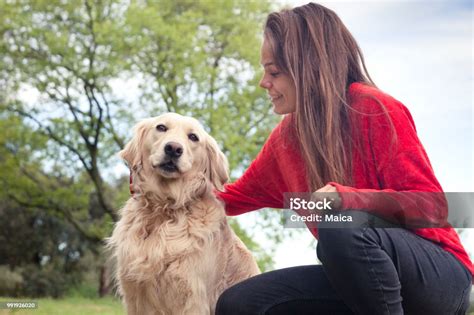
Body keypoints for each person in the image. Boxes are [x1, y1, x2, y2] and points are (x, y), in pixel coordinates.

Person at [215, 3, 473, 315]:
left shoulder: (375, 108)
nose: (263, 83)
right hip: (363, 283)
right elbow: (228, 199)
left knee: (339, 225)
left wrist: (347, 198)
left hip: (437, 277)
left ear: (307, 69)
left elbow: (433, 206)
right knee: (240, 303)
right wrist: (157, 178)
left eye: (274, 72)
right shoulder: (286, 141)